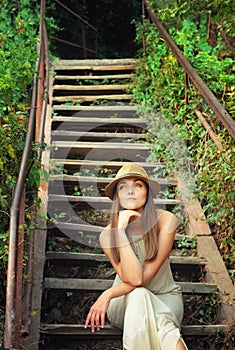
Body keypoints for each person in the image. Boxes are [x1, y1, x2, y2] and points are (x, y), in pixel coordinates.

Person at [85, 163, 188, 350]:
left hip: (164, 296)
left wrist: (107, 293)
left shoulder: (166, 221)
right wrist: (121, 231)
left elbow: (142, 278)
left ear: (147, 192)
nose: (130, 191)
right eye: (123, 186)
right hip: (124, 300)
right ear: (117, 196)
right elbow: (133, 279)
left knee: (159, 319)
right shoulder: (108, 235)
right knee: (139, 296)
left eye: (138, 185)